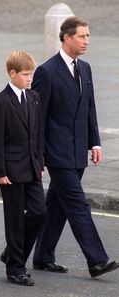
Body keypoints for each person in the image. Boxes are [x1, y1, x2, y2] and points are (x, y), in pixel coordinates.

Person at [32, 16, 119, 278]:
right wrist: (38, 156)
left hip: (78, 149)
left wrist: (95, 142)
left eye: (88, 36)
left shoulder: (86, 68)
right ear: (67, 38)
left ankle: (40, 254)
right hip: (57, 153)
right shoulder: (46, 72)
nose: (86, 41)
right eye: (82, 36)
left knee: (56, 206)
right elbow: (38, 119)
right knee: (78, 205)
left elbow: (89, 109)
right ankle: (97, 260)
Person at [0, 51, 46, 286]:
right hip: (10, 171)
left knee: (39, 212)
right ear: (12, 73)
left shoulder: (34, 97)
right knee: (14, 219)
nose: (29, 78)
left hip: (32, 167)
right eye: (25, 74)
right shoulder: (0, 101)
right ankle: (15, 269)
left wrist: (40, 161)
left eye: (31, 73)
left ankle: (13, 253)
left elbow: (37, 134)